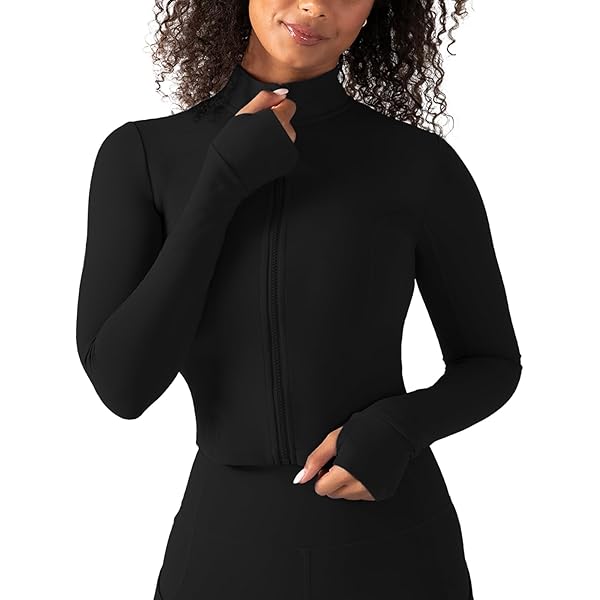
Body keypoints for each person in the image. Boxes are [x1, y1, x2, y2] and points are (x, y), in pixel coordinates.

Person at [75, 1, 523, 598]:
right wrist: (221, 184)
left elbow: (491, 362)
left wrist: (398, 428)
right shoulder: (142, 156)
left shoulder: (419, 164)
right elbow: (123, 387)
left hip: (396, 543)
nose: (314, 5)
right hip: (223, 551)